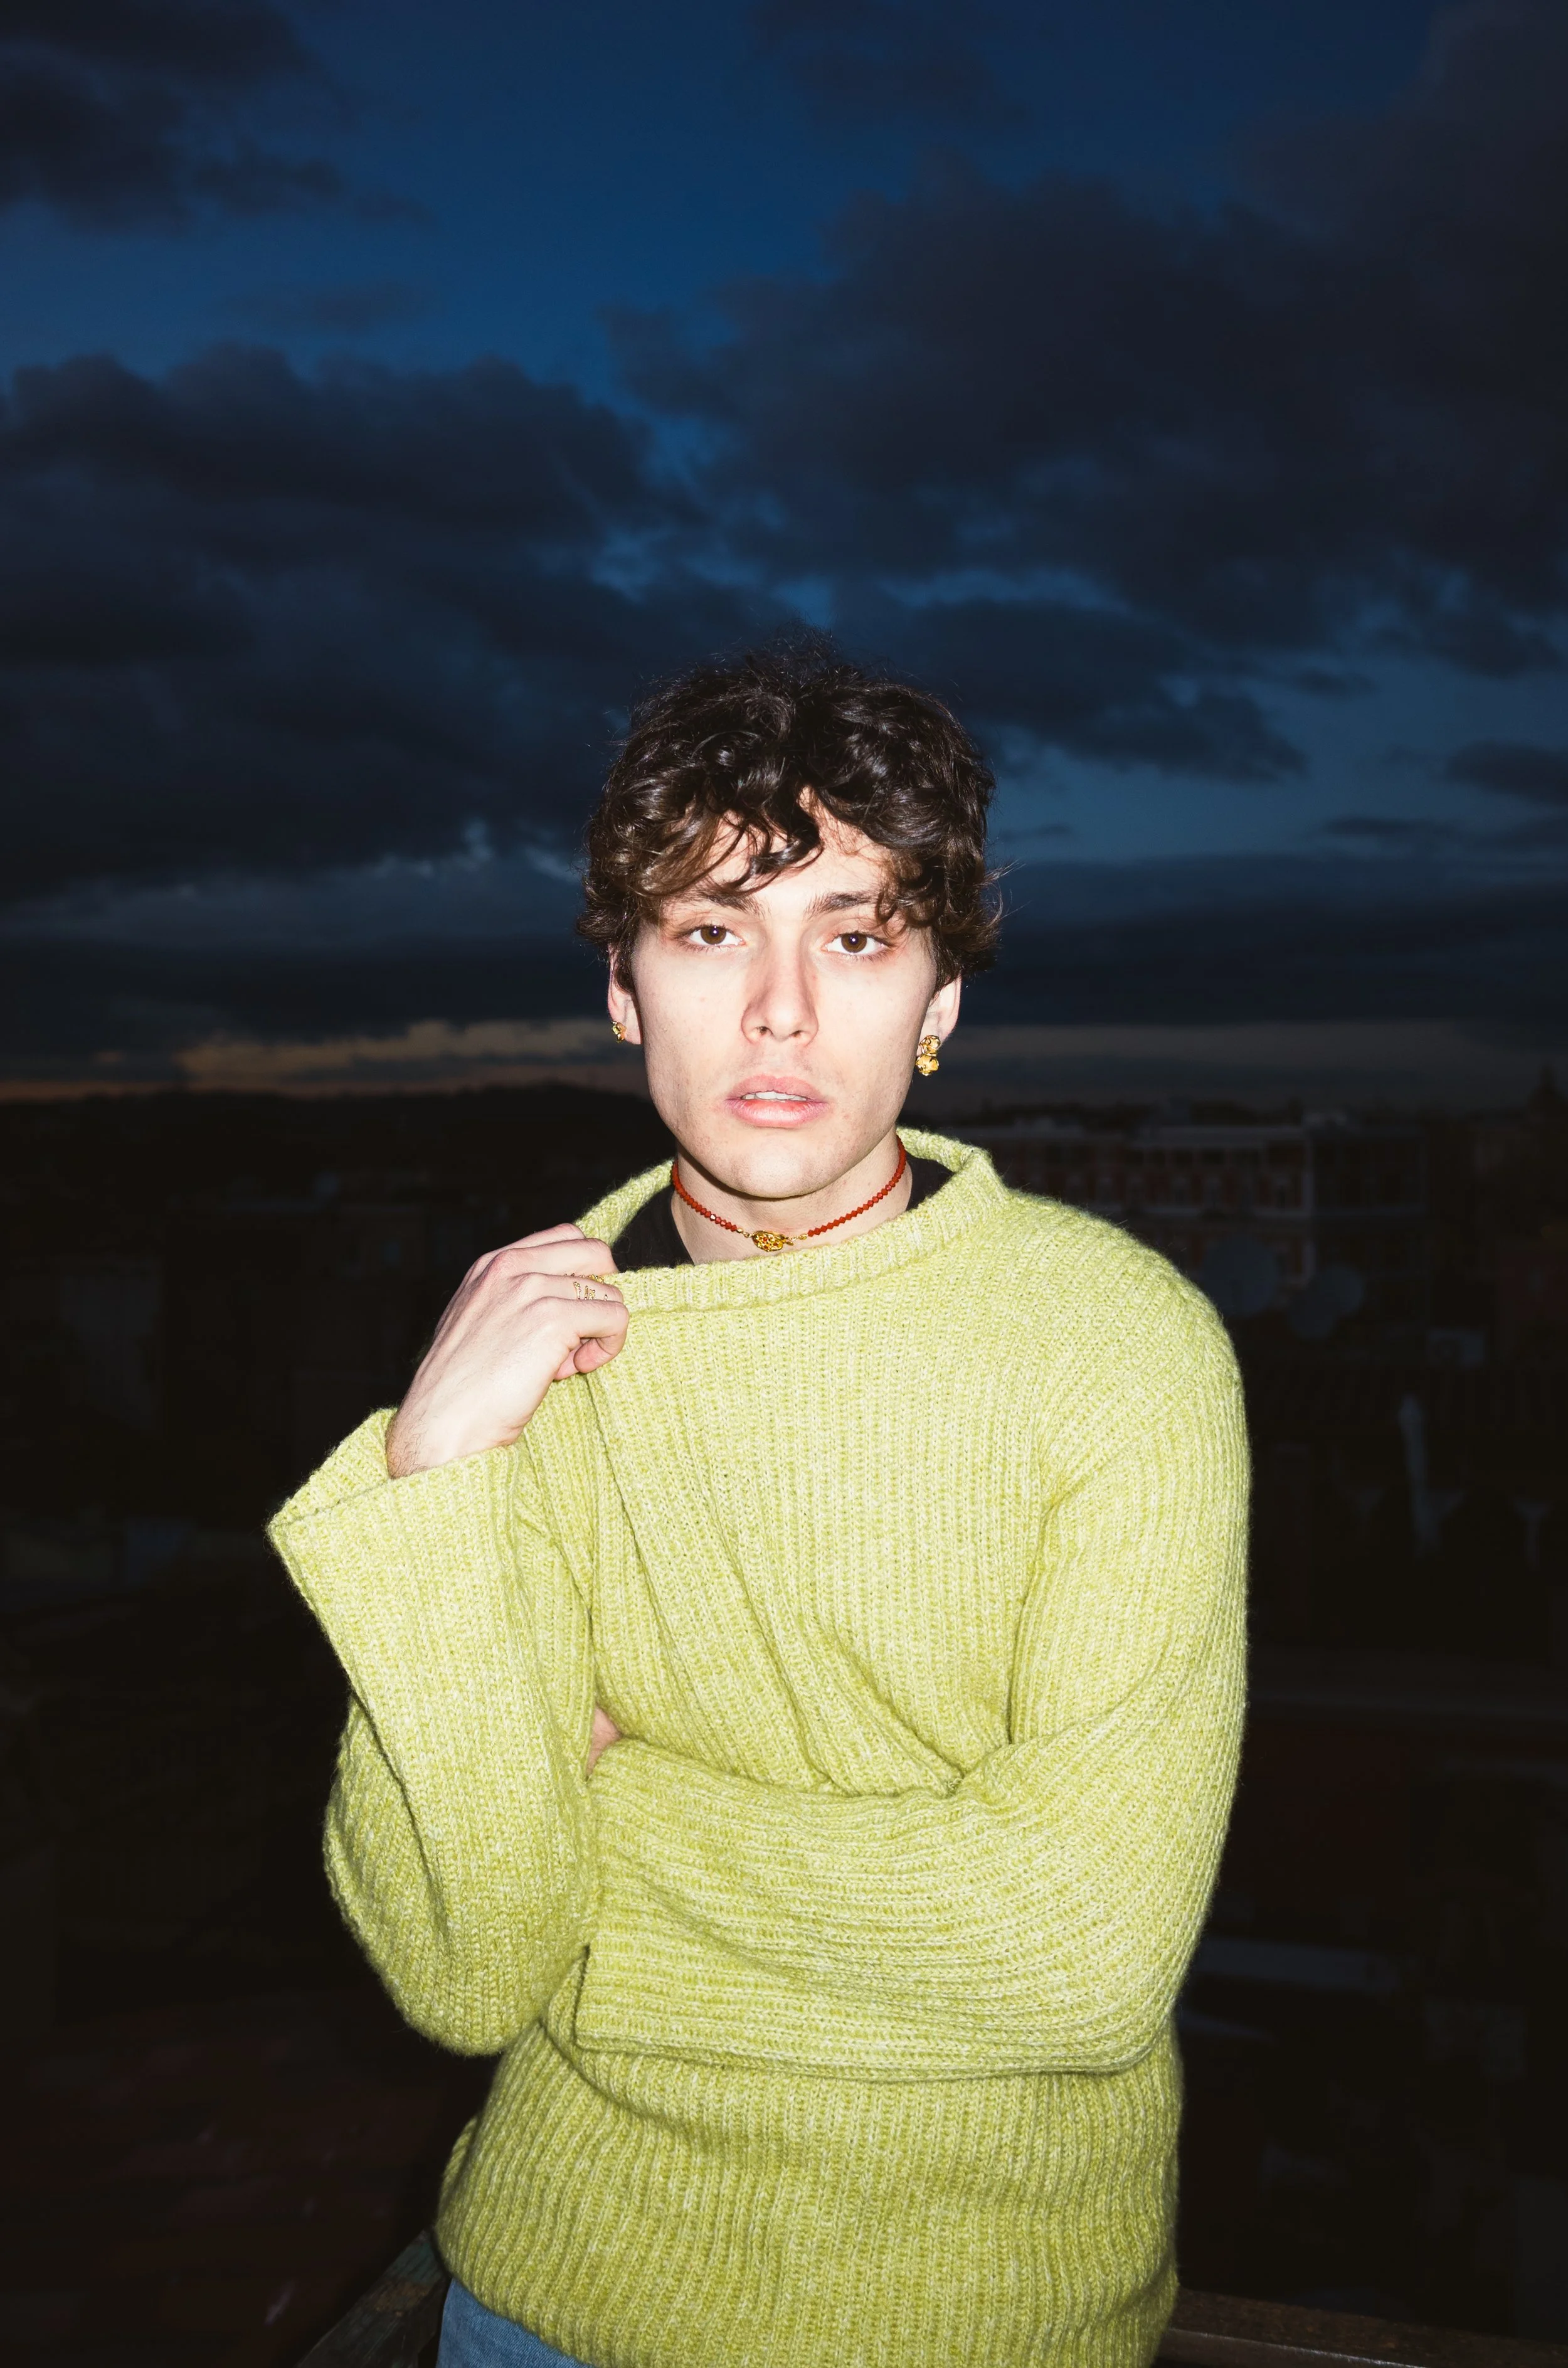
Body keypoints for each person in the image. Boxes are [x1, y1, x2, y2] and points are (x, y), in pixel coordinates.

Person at [268, 640, 1249, 2368]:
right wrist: (430, 1476)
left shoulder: (1118, 1350)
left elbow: (1081, 1953)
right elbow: (466, 1967)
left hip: (977, 2320)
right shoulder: (526, 1367)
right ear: (625, 989)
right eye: (711, 930)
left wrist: (612, 1809)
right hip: (547, 2304)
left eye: (854, 935)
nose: (780, 1010)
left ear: (939, 998)